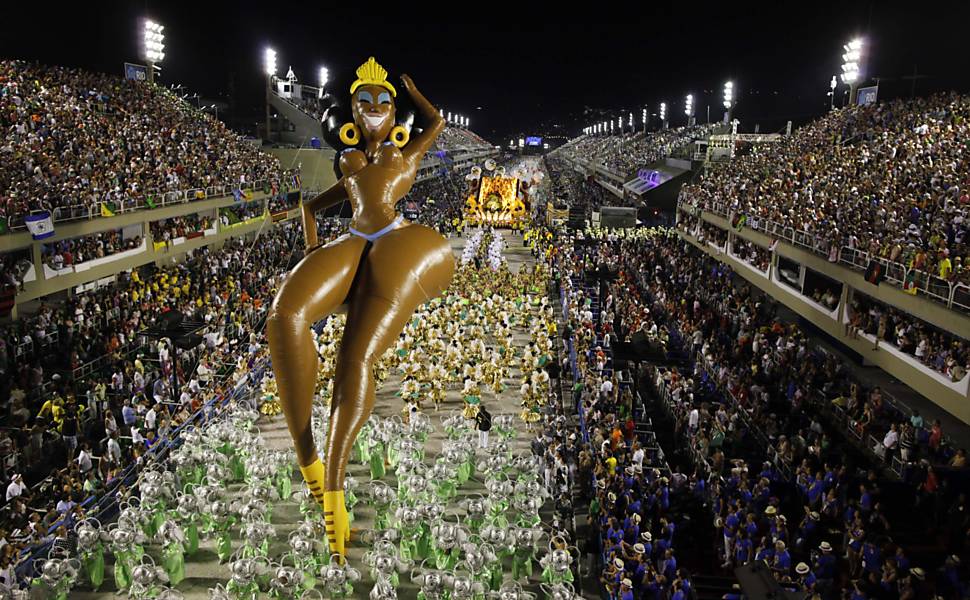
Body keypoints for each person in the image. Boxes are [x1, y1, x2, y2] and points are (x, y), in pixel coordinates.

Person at [267, 57, 455, 556]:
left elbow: (437, 123)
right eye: (364, 103)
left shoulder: (406, 153)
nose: (373, 110)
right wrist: (311, 248)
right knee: (283, 316)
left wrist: (415, 93)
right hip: (353, 238)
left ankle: (333, 487)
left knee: (355, 356)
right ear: (350, 109)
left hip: (396, 237)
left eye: (383, 102)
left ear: (395, 112)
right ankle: (308, 458)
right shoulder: (348, 161)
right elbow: (312, 206)